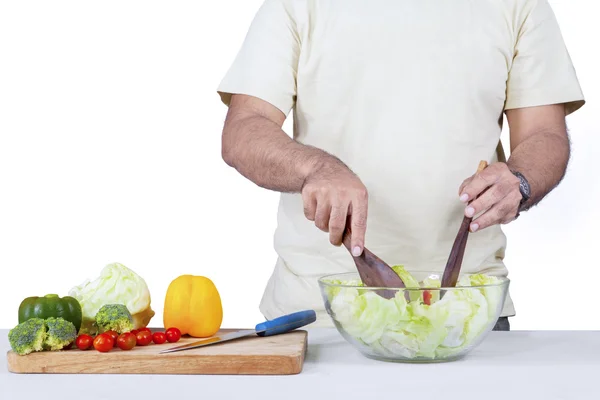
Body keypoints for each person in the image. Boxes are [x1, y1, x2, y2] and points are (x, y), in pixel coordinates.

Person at [216, 0, 585, 330]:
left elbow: (543, 135)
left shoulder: (520, 6)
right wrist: (316, 167)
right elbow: (244, 130)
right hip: (317, 313)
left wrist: (519, 182)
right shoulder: (296, 5)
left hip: (467, 314)